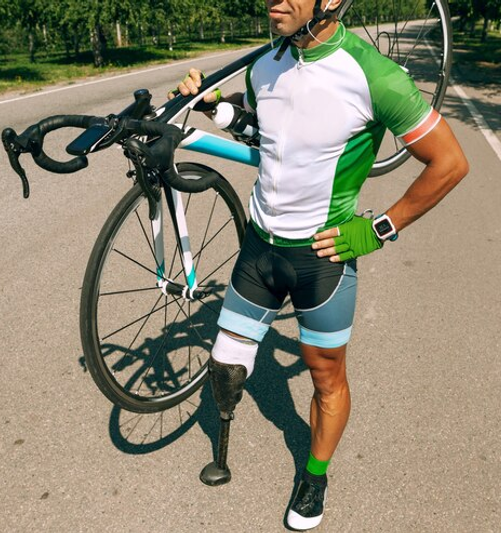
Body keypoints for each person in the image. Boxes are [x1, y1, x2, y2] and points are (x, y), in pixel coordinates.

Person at [170, 0, 468, 529]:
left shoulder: (374, 75)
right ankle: (224, 448)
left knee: (326, 378)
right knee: (225, 365)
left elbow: (450, 163)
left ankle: (314, 476)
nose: (273, 1)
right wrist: (213, 104)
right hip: (259, 250)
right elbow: (267, 134)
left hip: (321, 260)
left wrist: (379, 228)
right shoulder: (266, 64)